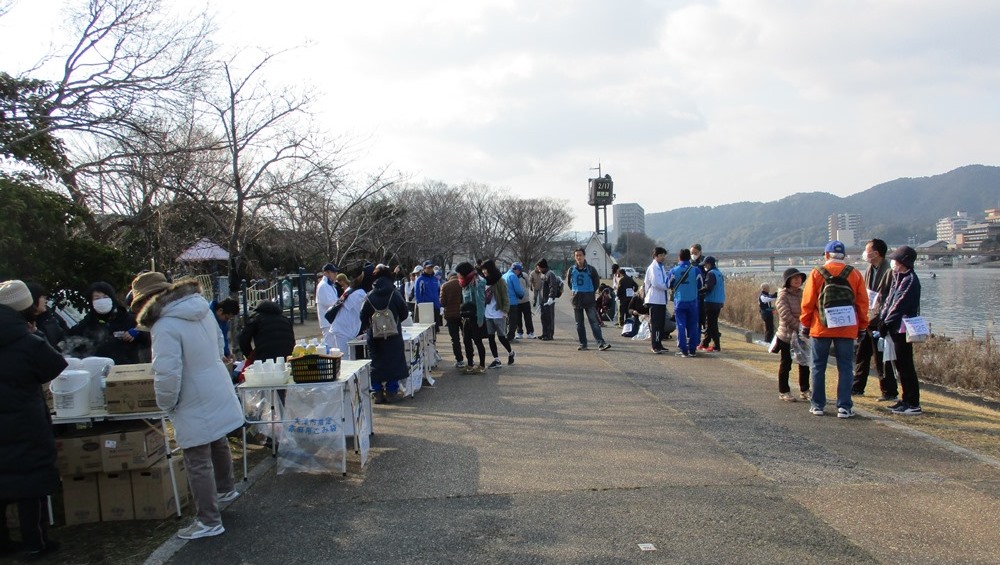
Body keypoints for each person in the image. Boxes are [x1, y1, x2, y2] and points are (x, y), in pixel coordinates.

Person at [131, 272, 244, 540]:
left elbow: (167, 373)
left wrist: (166, 403)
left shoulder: (164, 325)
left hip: (192, 395)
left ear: (146, 301)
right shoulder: (200, 308)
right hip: (215, 383)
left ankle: (208, 520)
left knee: (197, 458)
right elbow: (220, 345)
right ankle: (226, 490)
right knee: (217, 441)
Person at [0, 279, 67, 559]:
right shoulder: (27, 339)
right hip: (24, 419)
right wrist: (36, 334)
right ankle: (34, 542)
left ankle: (3, 542)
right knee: (31, 480)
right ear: (24, 307)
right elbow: (54, 365)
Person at [799, 240, 869, 419]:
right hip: (846, 326)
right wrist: (862, 326)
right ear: (844, 255)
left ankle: (817, 405)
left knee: (818, 367)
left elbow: (808, 302)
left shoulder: (817, 273)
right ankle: (844, 406)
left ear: (826, 255)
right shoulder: (854, 274)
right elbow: (862, 303)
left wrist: (805, 324)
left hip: (821, 326)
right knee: (845, 367)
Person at [852, 238, 898, 401]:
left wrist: (883, 318)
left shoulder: (889, 271)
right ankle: (857, 387)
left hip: (881, 320)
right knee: (861, 355)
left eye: (867, 250)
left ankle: (889, 391)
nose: (865, 253)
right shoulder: (869, 269)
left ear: (876, 253)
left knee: (881, 358)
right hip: (867, 318)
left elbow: (890, 298)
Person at [880, 245, 923, 415]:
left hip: (904, 328)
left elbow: (899, 304)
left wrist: (886, 322)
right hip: (895, 328)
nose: (893, 263)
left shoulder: (910, 279)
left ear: (904, 262)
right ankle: (905, 399)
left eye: (896, 260)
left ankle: (913, 403)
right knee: (899, 365)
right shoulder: (898, 277)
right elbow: (889, 300)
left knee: (906, 366)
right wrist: (883, 319)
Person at [359, 267, 410, 403]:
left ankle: (377, 392)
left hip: (375, 335)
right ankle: (391, 392)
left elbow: (362, 316)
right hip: (393, 335)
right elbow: (404, 312)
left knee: (376, 363)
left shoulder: (369, 295)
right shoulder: (394, 293)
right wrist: (395, 322)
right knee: (395, 362)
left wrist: (370, 326)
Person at [66, 281, 147, 364]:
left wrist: (138, 332)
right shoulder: (87, 323)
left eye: (105, 297)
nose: (102, 301)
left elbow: (148, 337)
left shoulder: (129, 319)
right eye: (97, 298)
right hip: (98, 369)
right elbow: (67, 341)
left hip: (126, 369)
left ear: (112, 299)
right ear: (91, 302)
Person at [775, 268, 810, 402]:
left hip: (802, 335)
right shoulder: (783, 295)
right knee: (786, 364)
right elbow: (785, 314)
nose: (797, 280)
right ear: (788, 280)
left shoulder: (803, 294)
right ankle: (784, 391)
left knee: (804, 363)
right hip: (787, 335)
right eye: (794, 278)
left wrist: (805, 328)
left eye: (799, 277)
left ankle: (805, 390)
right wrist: (799, 327)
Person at [566, 248, 610, 351]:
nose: (579, 257)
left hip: (589, 299)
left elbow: (596, 283)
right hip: (577, 299)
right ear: (574, 257)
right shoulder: (571, 270)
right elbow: (569, 283)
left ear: (584, 256)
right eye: (576, 255)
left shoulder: (591, 269)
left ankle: (601, 343)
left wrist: (590, 292)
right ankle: (583, 344)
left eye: (580, 255)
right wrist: (575, 291)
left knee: (594, 322)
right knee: (579, 324)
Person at [328, 265, 374, 361]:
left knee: (349, 359)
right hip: (343, 330)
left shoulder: (355, 288)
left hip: (345, 328)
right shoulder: (360, 293)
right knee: (345, 360)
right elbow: (367, 311)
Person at [667, 248, 704, 357]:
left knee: (680, 325)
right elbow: (700, 285)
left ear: (679, 257)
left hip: (679, 301)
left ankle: (683, 349)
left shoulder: (674, 270)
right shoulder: (696, 270)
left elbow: (668, 284)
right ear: (689, 257)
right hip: (693, 301)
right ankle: (692, 349)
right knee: (693, 325)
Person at [238, 299, 295, 365]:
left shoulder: (257, 319)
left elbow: (243, 339)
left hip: (265, 358)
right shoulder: (285, 319)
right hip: (287, 357)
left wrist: (249, 356)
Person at [480, 260, 515, 368]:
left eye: (485, 270)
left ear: (490, 269)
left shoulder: (500, 281)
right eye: (483, 270)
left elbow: (505, 296)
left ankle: (511, 353)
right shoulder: (484, 281)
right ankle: (496, 359)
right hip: (488, 313)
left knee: (501, 337)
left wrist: (505, 311)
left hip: (499, 313)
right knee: (490, 337)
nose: (483, 272)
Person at [456, 262, 488, 372]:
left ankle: (482, 365)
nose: (458, 275)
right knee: (466, 340)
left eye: (459, 273)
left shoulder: (478, 282)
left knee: (478, 341)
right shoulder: (464, 283)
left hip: (475, 316)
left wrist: (480, 319)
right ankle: (470, 364)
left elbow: (480, 302)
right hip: (466, 317)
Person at [643, 246, 670, 354]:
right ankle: (655, 345)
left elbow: (665, 280)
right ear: (656, 256)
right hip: (655, 299)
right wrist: (667, 286)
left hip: (661, 300)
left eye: (664, 255)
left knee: (661, 324)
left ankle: (659, 343)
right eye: (661, 255)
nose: (663, 257)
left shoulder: (661, 266)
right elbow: (656, 283)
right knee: (656, 324)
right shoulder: (653, 267)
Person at [26, 282, 67, 351]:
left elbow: (63, 341)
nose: (46, 300)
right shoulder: (20, 321)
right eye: (42, 297)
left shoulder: (51, 320)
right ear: (33, 298)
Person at [698, 256, 726, 352]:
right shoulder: (718, 273)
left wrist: (699, 291)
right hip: (719, 301)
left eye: (705, 265)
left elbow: (708, 287)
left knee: (711, 324)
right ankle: (705, 343)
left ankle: (716, 346)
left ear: (709, 264)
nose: (704, 266)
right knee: (711, 323)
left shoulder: (711, 273)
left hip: (711, 301)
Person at [439, 270, 465, 367]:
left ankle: (459, 360)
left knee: (455, 339)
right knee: (466, 337)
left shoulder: (445, 286)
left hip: (450, 316)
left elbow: (442, 302)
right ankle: (470, 360)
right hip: (462, 314)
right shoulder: (462, 284)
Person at [315, 262, 340, 351]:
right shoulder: (323, 286)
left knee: (335, 348)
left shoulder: (330, 285)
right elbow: (330, 303)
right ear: (326, 273)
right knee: (330, 348)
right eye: (333, 272)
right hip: (327, 323)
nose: (335, 274)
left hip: (332, 322)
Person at [209, 297, 240, 364]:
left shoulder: (223, 322)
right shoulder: (207, 316)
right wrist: (220, 355)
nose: (227, 320)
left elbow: (223, 338)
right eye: (226, 318)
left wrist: (227, 354)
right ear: (220, 311)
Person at [413, 260, 442, 330]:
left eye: (431, 267)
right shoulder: (420, 279)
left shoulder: (435, 279)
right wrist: (420, 304)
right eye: (428, 268)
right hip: (426, 307)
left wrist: (440, 304)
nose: (430, 269)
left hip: (436, 306)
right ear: (424, 268)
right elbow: (417, 293)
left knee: (435, 328)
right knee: (427, 328)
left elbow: (439, 291)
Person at [535, 259, 559, 341]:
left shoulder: (550, 274)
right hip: (543, 299)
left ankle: (549, 334)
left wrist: (551, 297)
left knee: (549, 318)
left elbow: (553, 286)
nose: (538, 269)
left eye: (538, 267)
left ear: (542, 266)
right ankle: (544, 333)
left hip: (548, 299)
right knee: (543, 317)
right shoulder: (543, 274)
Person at [502, 263, 527, 342]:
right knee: (513, 321)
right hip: (512, 302)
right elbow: (518, 290)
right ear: (517, 270)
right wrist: (522, 295)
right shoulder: (513, 276)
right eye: (519, 271)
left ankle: (504, 336)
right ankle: (510, 337)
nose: (519, 273)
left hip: (504, 301)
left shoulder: (504, 276)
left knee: (505, 320)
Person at [513, 264, 535, 339]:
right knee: (518, 318)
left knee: (528, 317)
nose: (515, 271)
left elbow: (529, 284)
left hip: (525, 300)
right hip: (516, 301)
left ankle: (530, 332)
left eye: (516, 269)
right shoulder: (512, 276)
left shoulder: (524, 275)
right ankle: (519, 332)